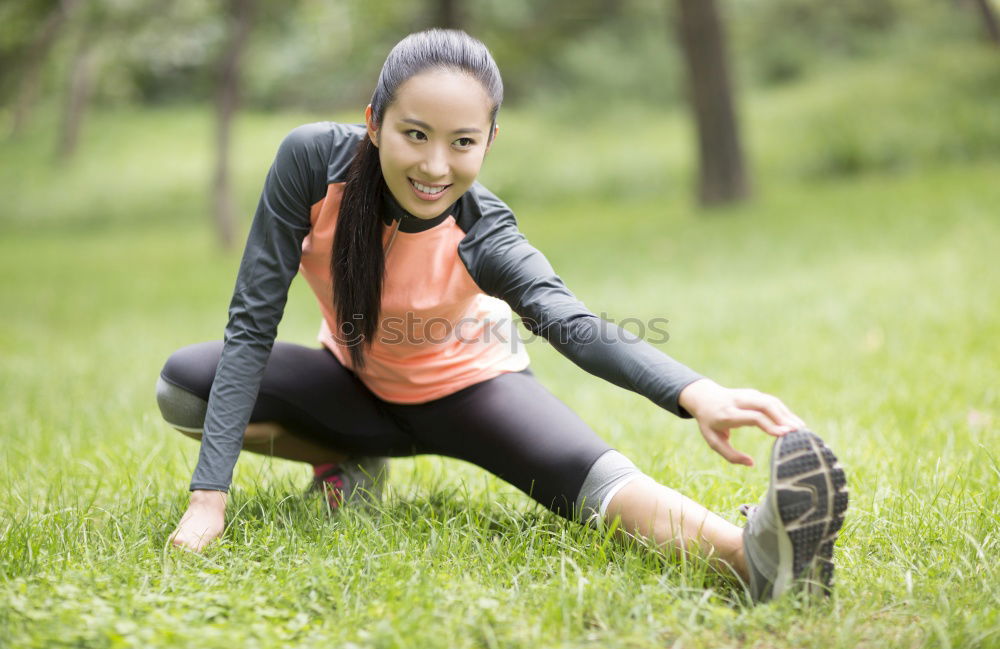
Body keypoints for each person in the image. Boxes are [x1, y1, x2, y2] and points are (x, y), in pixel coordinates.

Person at [155, 29, 847, 603]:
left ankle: (757, 559)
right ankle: (347, 457)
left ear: (488, 142)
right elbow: (252, 324)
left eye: (462, 142)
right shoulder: (311, 165)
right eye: (414, 135)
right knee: (184, 386)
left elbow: (570, 321)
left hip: (472, 392)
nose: (434, 165)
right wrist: (209, 498)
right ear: (374, 122)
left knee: (599, 483)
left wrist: (698, 392)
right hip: (353, 385)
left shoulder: (486, 231)